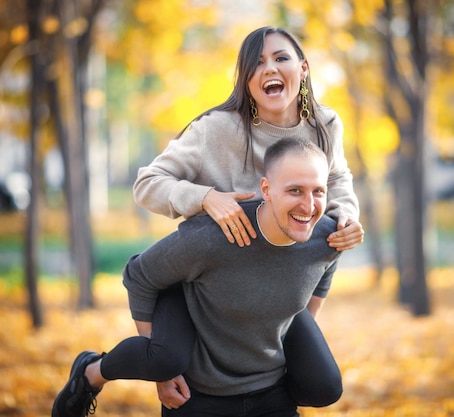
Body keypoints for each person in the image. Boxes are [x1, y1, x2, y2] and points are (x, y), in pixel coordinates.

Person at [131, 26, 363, 407]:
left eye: (281, 58)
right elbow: (147, 183)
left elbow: (337, 177)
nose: (269, 68)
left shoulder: (325, 124)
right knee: (175, 366)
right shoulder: (217, 130)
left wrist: (348, 216)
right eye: (256, 63)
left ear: (303, 69)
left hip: (276, 279)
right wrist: (205, 198)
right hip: (209, 276)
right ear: (246, 80)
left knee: (323, 386)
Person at [53, 137, 343, 417]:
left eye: (318, 191)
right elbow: (138, 275)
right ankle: (90, 371)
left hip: (271, 393)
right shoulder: (214, 237)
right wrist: (158, 365)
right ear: (265, 190)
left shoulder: (327, 238)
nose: (309, 205)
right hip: (195, 377)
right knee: (164, 359)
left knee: (325, 387)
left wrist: (296, 327)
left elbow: (325, 268)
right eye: (295, 191)